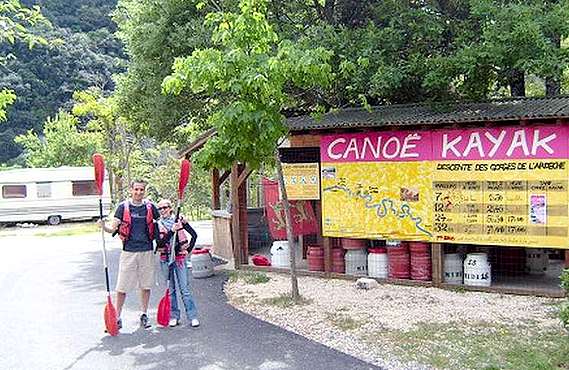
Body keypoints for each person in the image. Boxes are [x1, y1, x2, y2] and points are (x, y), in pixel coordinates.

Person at [99, 179, 160, 330]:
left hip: (146, 251)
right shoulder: (122, 207)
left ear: (144, 191)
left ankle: (144, 314)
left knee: (145, 286)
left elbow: (163, 222)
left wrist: (179, 223)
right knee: (122, 287)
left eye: (141, 190)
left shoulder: (150, 207)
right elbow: (113, 229)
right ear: (131, 190)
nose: (139, 192)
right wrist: (103, 226)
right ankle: (117, 317)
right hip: (128, 252)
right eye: (136, 189)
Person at [156, 198, 200, 328]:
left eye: (165, 207)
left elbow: (194, 235)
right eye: (160, 208)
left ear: (170, 208)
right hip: (165, 260)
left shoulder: (180, 220)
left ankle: (192, 316)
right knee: (171, 290)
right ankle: (174, 316)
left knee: (184, 289)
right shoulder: (157, 225)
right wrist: (171, 232)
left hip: (180, 259)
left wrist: (189, 250)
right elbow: (160, 243)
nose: (163, 210)